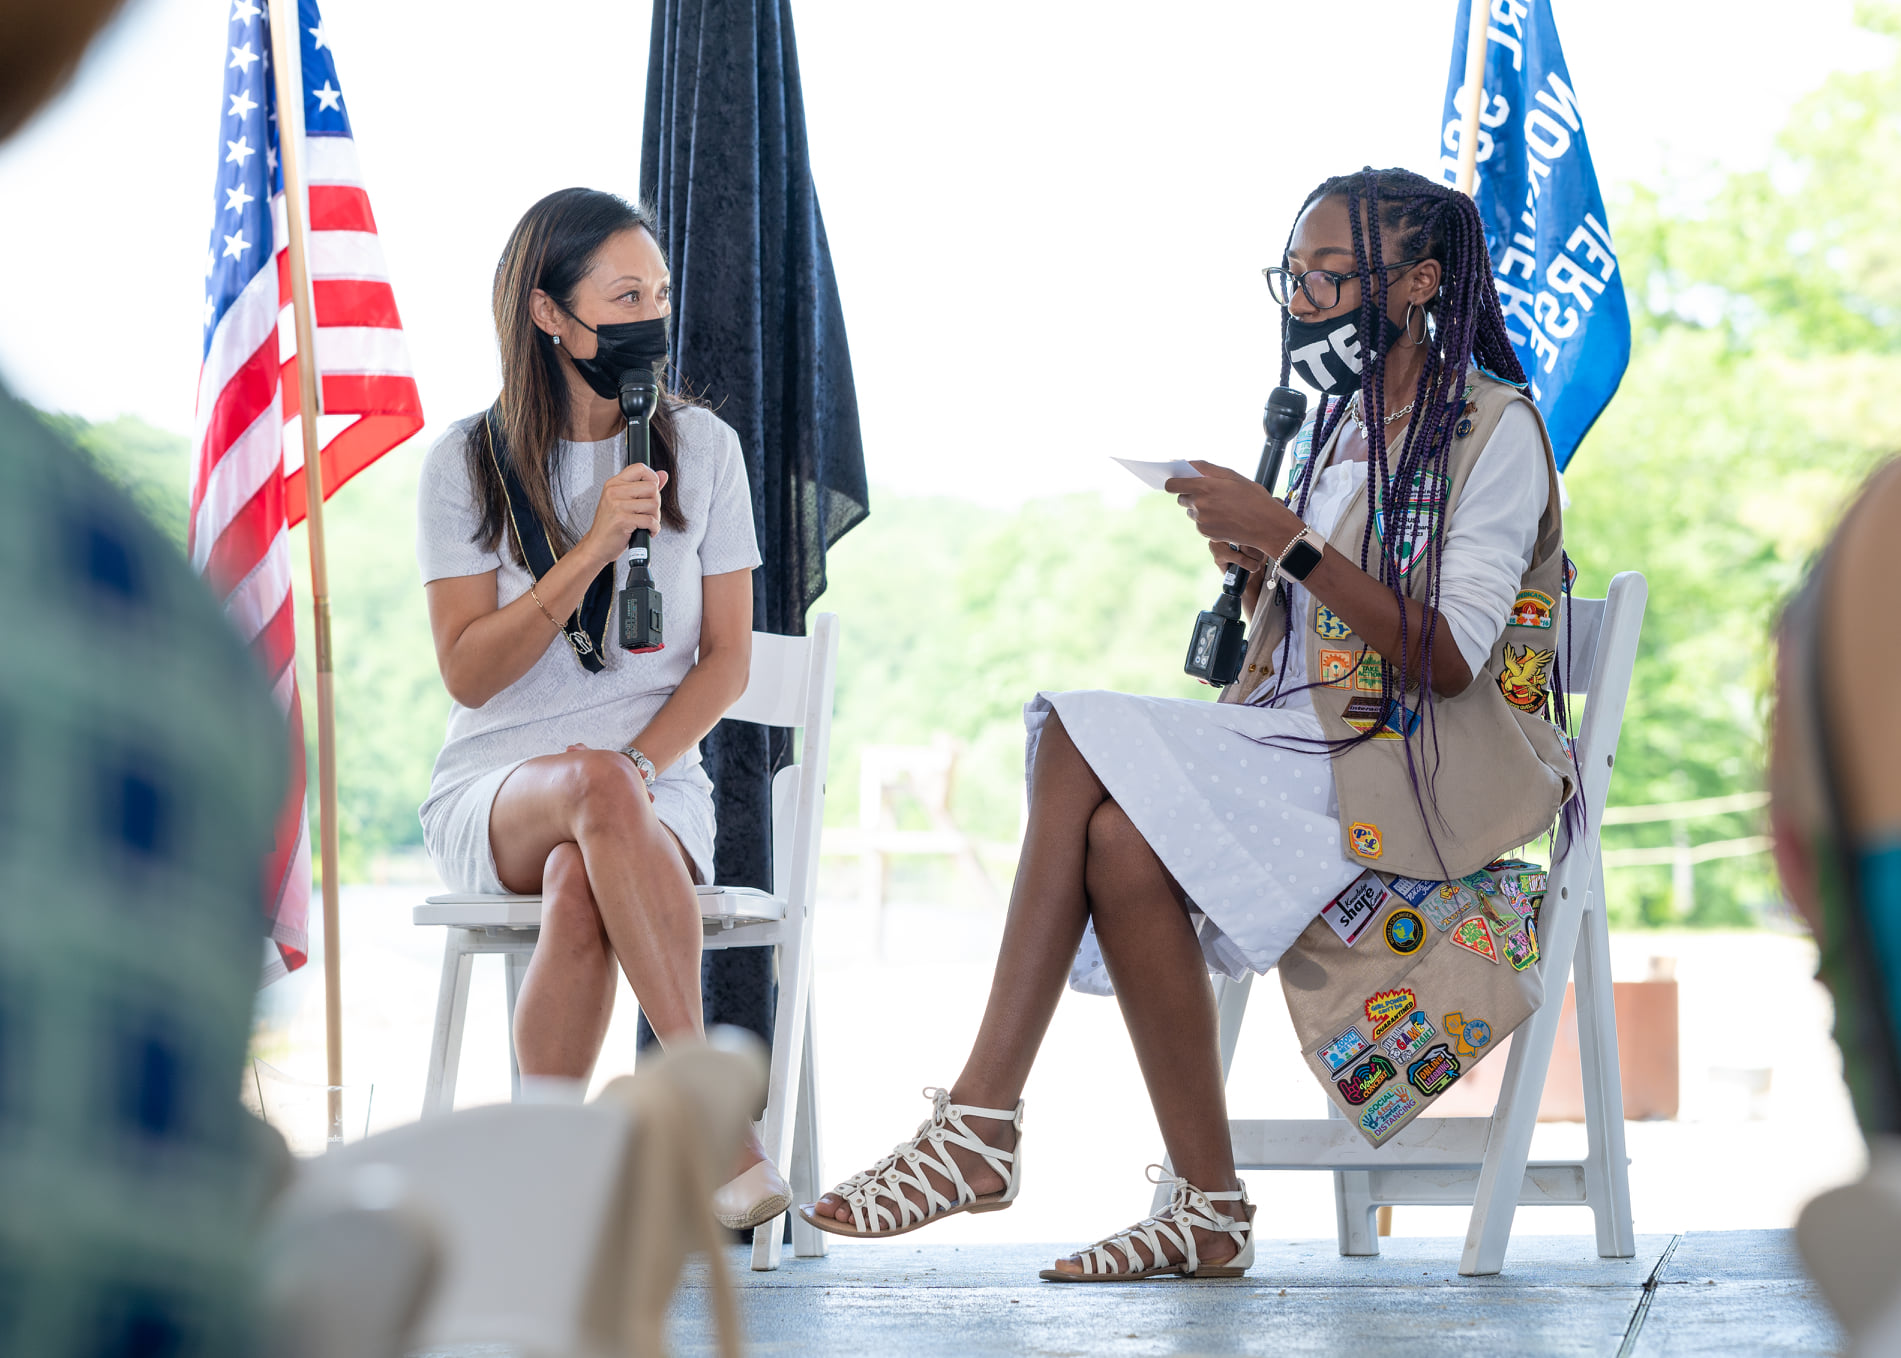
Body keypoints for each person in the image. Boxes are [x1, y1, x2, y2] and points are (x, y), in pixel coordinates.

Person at [800, 166, 1574, 1280]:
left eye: (1329, 275)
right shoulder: (1337, 427)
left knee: (1072, 726)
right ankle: (1205, 1210)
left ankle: (980, 1119)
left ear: (1416, 284)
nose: (1303, 299)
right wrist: (1263, 565)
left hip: (1401, 774)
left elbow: (1446, 658)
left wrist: (1291, 538)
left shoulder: (1491, 432)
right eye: (1293, 274)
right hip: (1291, 739)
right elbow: (1323, 620)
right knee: (1113, 840)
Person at [416, 187, 786, 1229]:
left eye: (659, 293)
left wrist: (639, 764)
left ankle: (539, 1183)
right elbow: (467, 673)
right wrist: (586, 550)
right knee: (586, 786)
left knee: (592, 850)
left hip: (655, 786)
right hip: (497, 788)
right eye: (624, 294)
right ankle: (718, 1120)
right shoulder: (465, 462)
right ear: (549, 313)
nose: (649, 318)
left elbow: (724, 660)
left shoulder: (702, 448)